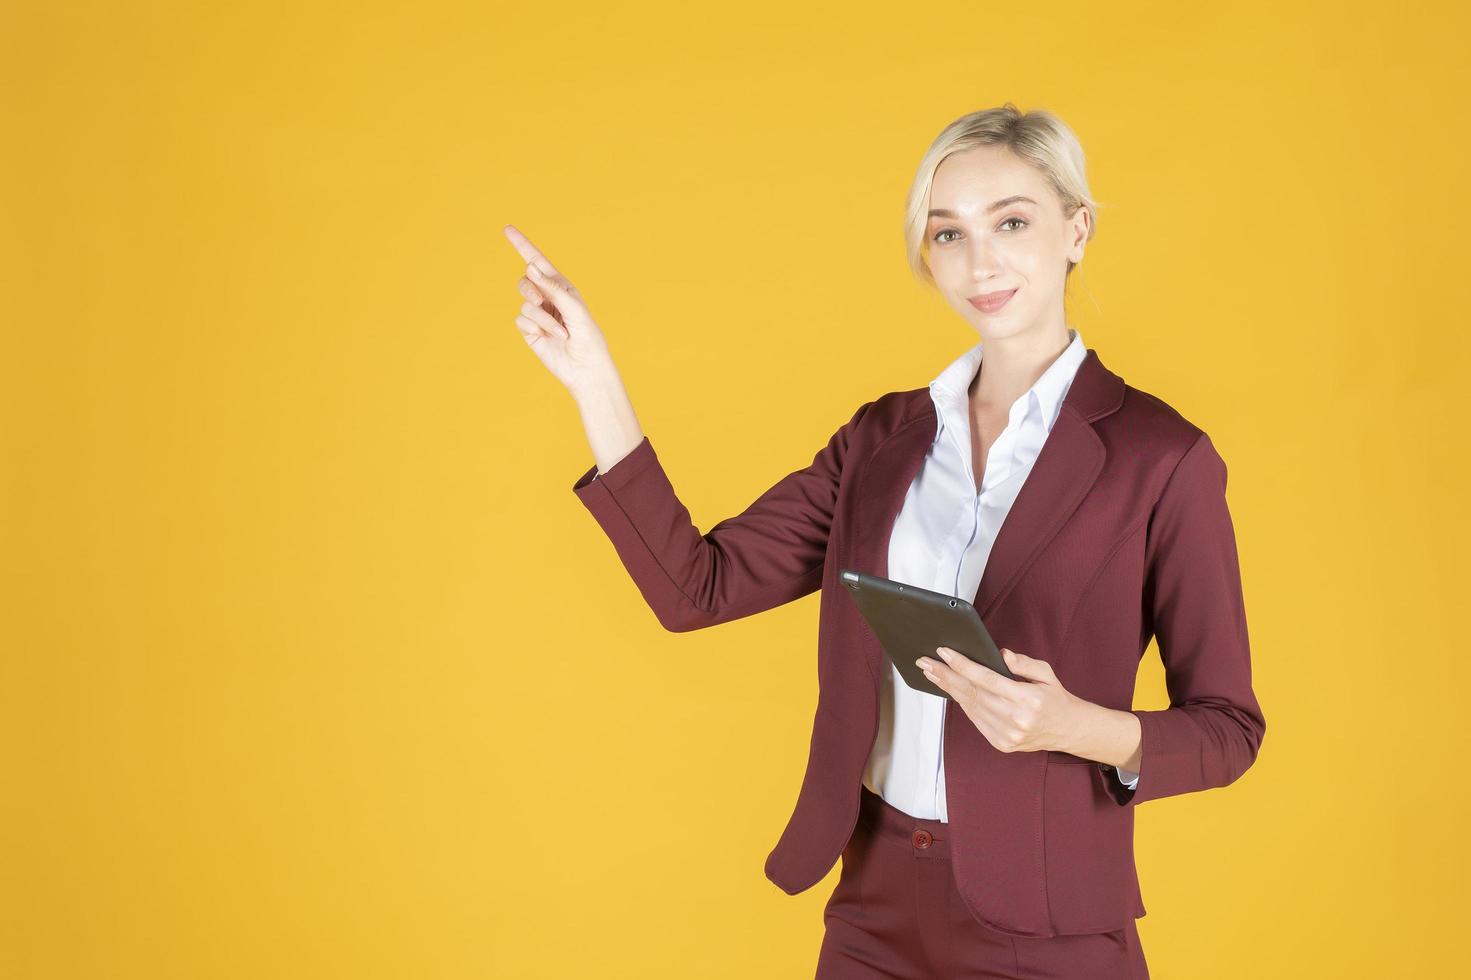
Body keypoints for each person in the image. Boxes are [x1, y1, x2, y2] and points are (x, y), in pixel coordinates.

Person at [504, 103, 1265, 979]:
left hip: (1050, 924)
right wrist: (594, 381)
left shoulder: (1160, 458)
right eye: (947, 235)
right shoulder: (881, 440)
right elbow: (696, 589)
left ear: (1076, 228)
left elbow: (1228, 731)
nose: (979, 261)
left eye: (1010, 222)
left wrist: (1079, 727)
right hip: (873, 904)